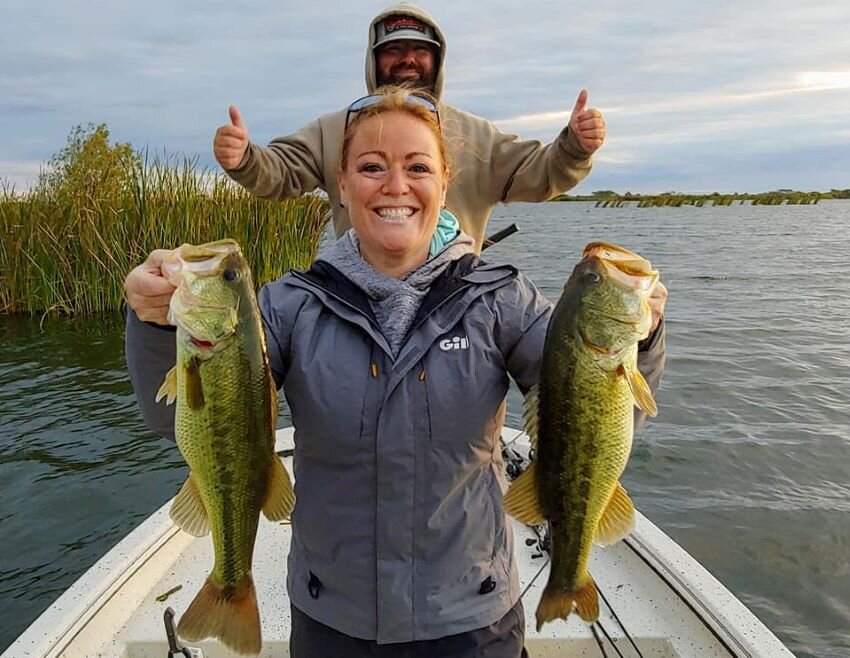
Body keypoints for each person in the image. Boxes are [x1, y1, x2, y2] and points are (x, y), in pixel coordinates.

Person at [125, 88, 665, 657]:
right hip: (332, 618)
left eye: (417, 167)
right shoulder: (287, 306)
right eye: (371, 167)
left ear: (445, 180)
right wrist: (159, 325)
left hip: (472, 619)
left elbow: (603, 419)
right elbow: (180, 421)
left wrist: (642, 337)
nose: (395, 185)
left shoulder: (504, 299)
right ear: (341, 184)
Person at [212, 3, 607, 252]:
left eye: (420, 51)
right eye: (394, 51)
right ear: (374, 59)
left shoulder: (478, 136)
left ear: (437, 60)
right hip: (360, 304)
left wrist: (573, 146)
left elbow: (539, 175)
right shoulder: (332, 131)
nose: (408, 60)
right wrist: (244, 158)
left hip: (458, 312)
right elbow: (279, 173)